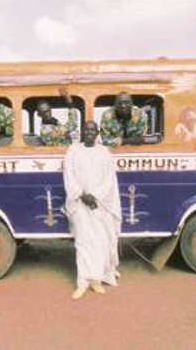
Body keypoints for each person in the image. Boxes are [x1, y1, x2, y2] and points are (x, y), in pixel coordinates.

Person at [63, 121, 121, 299]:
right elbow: (68, 174)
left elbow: (109, 179)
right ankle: (82, 282)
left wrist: (94, 196)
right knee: (83, 242)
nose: (89, 132)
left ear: (97, 132)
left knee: (100, 241)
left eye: (92, 130)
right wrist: (82, 194)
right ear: (82, 132)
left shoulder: (103, 151)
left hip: (100, 204)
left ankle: (96, 280)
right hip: (80, 202)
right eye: (86, 130)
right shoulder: (73, 150)